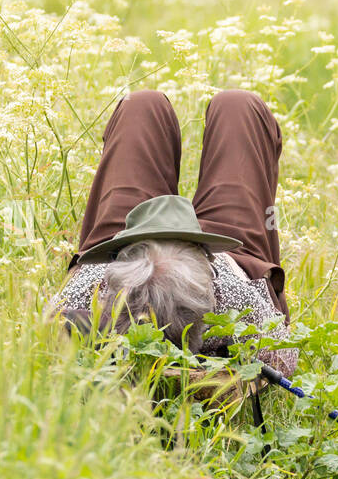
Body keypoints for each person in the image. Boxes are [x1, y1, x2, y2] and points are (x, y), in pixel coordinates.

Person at [50, 88, 296, 377]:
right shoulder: (236, 304)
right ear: (210, 277)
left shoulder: (86, 297)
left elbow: (45, 334)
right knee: (240, 107)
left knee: (140, 106)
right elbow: (283, 357)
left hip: (124, 245)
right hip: (231, 258)